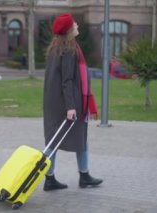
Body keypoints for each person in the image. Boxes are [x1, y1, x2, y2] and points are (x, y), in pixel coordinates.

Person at [43, 13, 103, 191]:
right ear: (69, 30)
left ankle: (52, 178)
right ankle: (80, 176)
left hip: (53, 102)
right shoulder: (69, 49)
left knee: (54, 141)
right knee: (61, 141)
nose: (77, 25)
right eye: (74, 23)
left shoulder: (56, 48)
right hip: (67, 104)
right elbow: (67, 80)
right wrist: (70, 107)